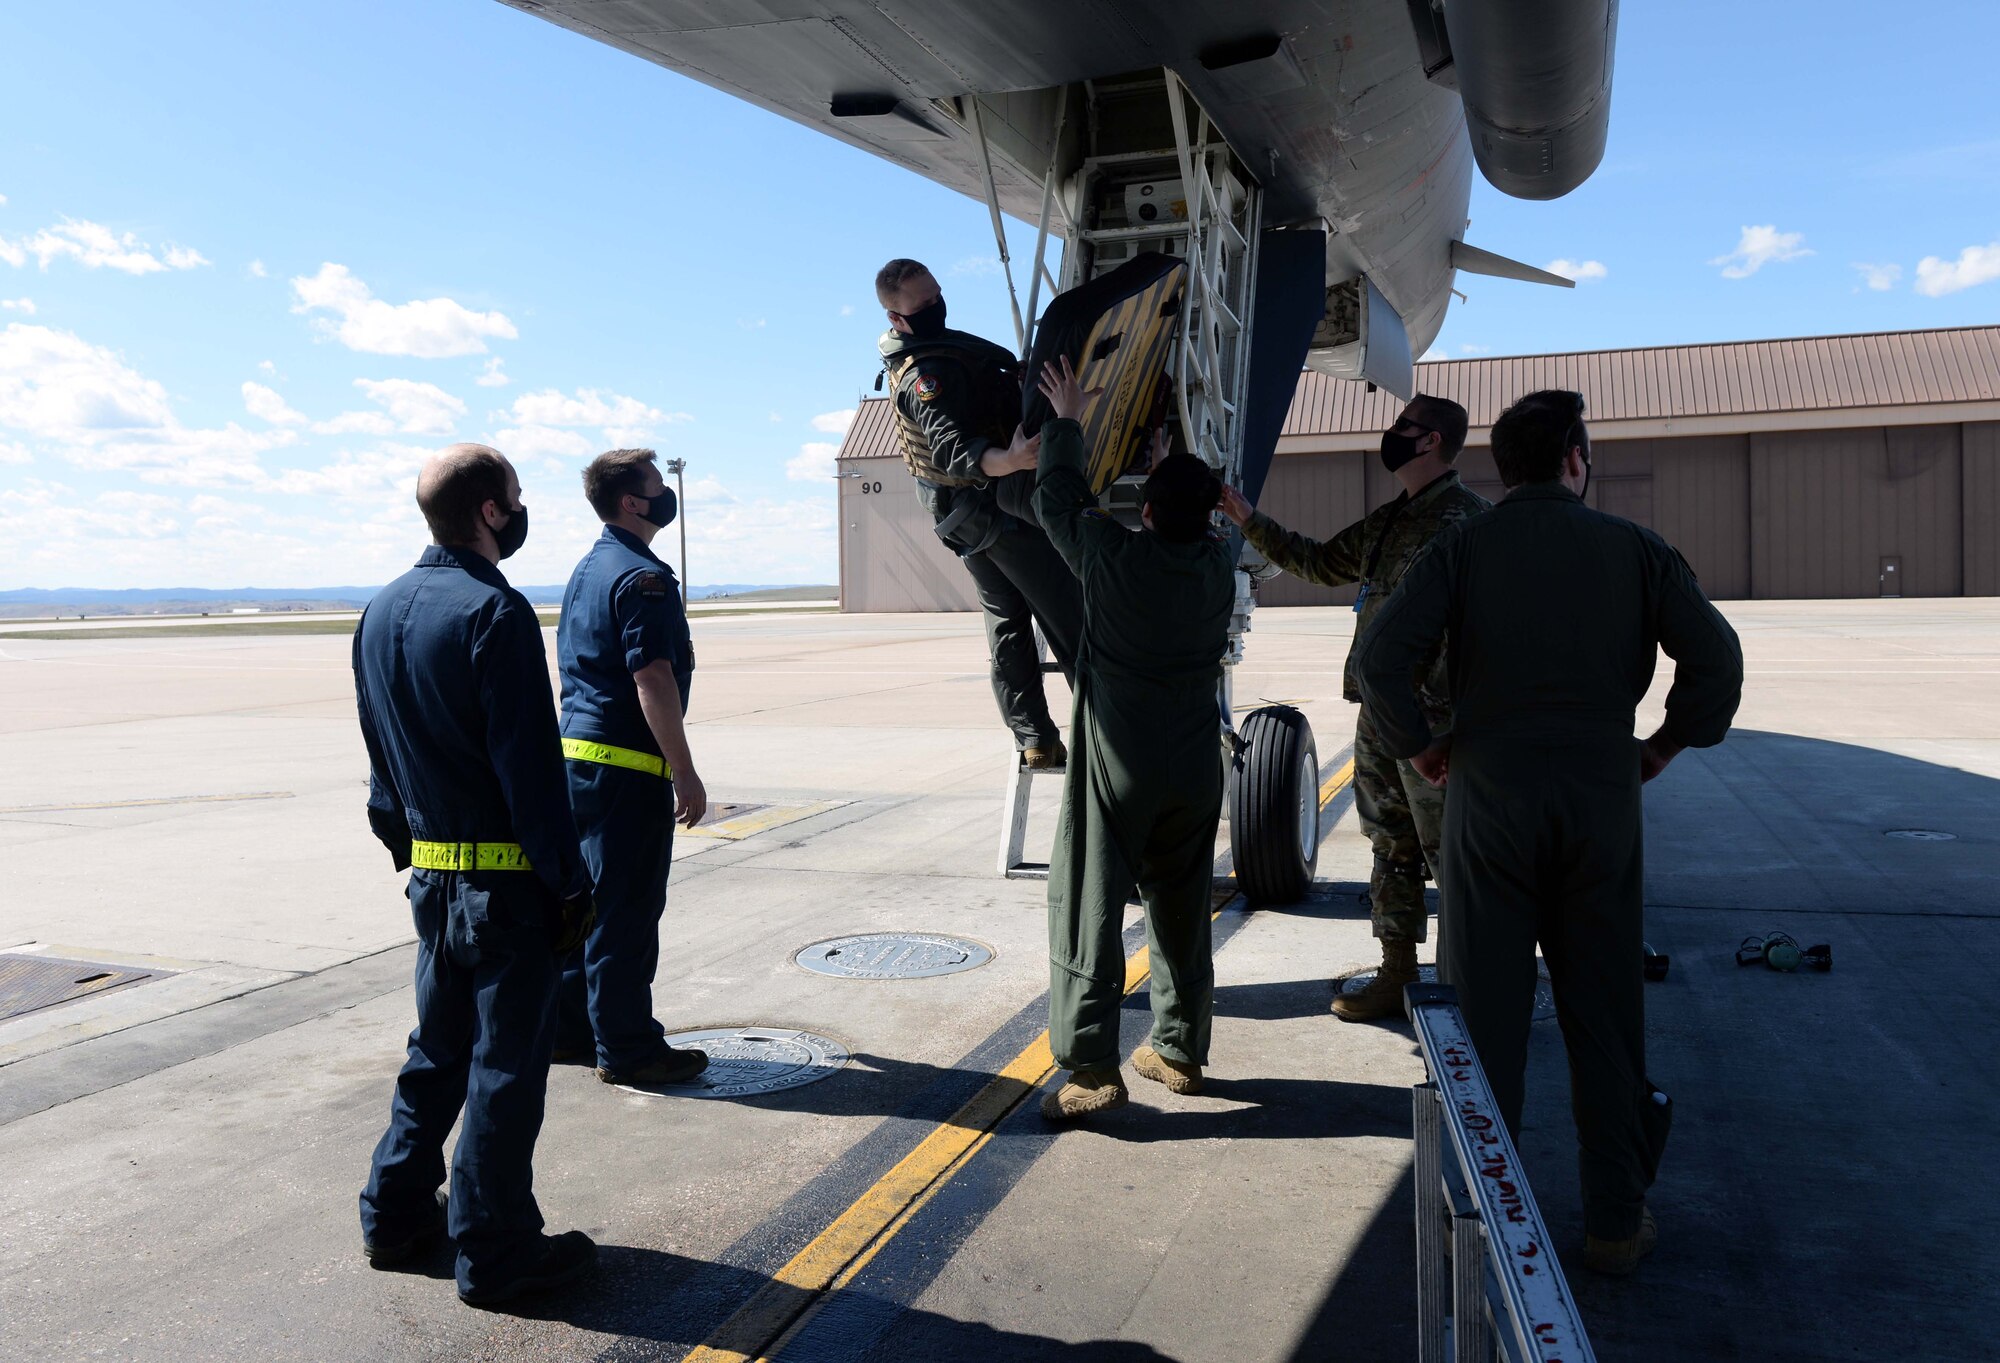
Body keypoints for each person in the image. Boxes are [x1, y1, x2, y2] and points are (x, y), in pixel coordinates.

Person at [1354, 390, 1744, 1275]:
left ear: (1504, 465)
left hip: (1488, 795)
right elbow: (1717, 659)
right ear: (1573, 457)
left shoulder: (1462, 545)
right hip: (1604, 794)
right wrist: (1665, 744)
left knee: (1485, 1012)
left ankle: (1487, 1220)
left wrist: (1420, 748)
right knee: (1605, 1009)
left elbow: (1382, 659)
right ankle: (1613, 1220)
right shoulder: (1637, 550)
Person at [353, 443, 600, 1306]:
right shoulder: (495, 611)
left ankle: (394, 1216)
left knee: (436, 1054)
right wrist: (570, 883)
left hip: (435, 879)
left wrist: (413, 852)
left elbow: (382, 763)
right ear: (490, 511)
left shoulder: (379, 612)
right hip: (505, 890)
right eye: (517, 497)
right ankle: (494, 1249)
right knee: (503, 1069)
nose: (523, 509)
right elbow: (531, 772)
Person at [1218, 395, 1487, 1020]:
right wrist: (1247, 517)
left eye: (1403, 427)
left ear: (1431, 442)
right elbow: (1318, 562)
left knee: (1454, 856)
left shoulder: (1469, 522)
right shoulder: (1393, 519)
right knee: (1391, 846)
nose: (1389, 434)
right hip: (1382, 717)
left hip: (1436, 725)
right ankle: (1399, 973)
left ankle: (1472, 986)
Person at [1032, 356, 1237, 1122]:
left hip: (1119, 760)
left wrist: (1068, 419)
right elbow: (1191, 521)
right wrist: (1166, 472)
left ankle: (1091, 1069)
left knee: (1088, 903)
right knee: (1181, 905)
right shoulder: (1219, 566)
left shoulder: (1113, 560)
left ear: (1145, 512)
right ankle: (1179, 1049)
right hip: (1194, 761)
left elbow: (1057, 498)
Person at [875, 257, 1084, 767]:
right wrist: (1010, 459)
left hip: (965, 520)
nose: (935, 307)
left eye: (936, 295)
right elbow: (949, 448)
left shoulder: (940, 351)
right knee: (1073, 616)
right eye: (922, 305)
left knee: (1007, 622)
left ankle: (1035, 737)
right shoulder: (925, 374)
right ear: (896, 318)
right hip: (995, 511)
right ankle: (1110, 730)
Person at [553, 448, 710, 1088]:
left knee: (584, 909)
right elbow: (653, 677)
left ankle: (572, 1030)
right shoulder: (642, 577)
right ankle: (628, 1048)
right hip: (625, 768)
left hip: (576, 766)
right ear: (631, 502)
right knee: (626, 912)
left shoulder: (589, 569)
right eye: (656, 485)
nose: (663, 495)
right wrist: (685, 771)